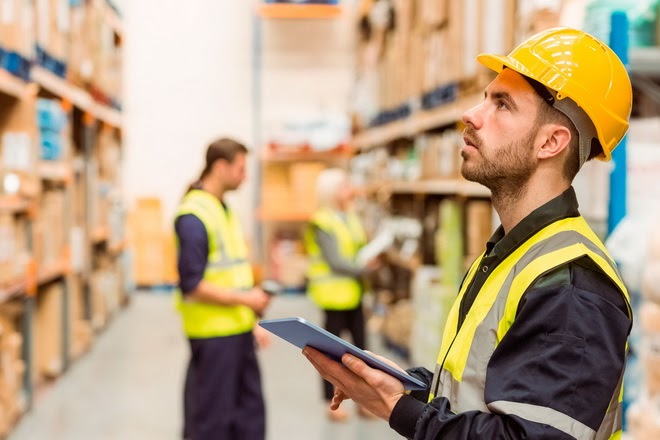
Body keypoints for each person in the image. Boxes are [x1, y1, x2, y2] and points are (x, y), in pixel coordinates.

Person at [303, 27, 633, 439]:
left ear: (551, 141)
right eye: (484, 99)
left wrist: (395, 409)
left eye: (502, 104)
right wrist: (400, 383)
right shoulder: (512, 254)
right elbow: (479, 392)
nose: (471, 115)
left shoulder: (570, 286)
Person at [174, 137, 272, 440]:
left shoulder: (222, 210)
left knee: (249, 415)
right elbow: (191, 285)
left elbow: (232, 274)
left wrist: (252, 320)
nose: (245, 176)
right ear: (220, 167)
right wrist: (247, 299)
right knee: (211, 421)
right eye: (240, 169)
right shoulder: (194, 216)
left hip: (237, 330)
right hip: (214, 336)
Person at [303, 168, 378, 422]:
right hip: (333, 297)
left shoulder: (350, 217)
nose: (351, 190)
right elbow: (336, 261)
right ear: (333, 191)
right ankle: (330, 403)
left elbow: (358, 248)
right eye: (346, 186)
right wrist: (365, 268)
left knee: (361, 352)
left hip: (354, 294)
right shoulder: (322, 221)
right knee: (330, 355)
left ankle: (362, 402)